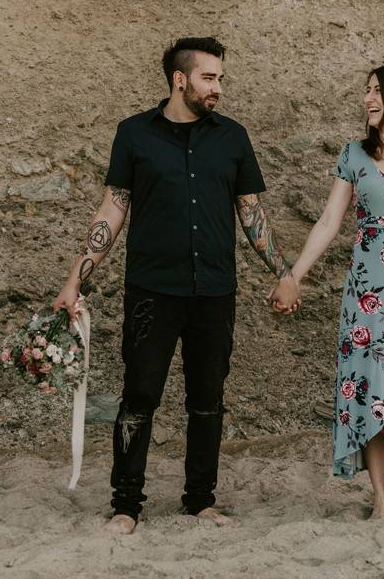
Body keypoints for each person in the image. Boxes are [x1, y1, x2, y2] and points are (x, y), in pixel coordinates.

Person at [53, 36, 300, 534]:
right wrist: (75, 280)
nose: (218, 89)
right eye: (209, 78)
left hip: (214, 292)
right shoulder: (134, 135)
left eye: (221, 79)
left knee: (207, 399)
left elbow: (251, 214)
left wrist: (284, 272)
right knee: (139, 396)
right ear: (179, 79)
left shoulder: (232, 137)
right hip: (152, 291)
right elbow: (113, 209)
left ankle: (200, 500)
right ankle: (126, 505)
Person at [273, 64, 384, 522]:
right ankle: (379, 499)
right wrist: (294, 274)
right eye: (366, 91)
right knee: (371, 388)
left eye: (377, 91)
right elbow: (328, 222)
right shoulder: (353, 155)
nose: (368, 98)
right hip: (367, 290)